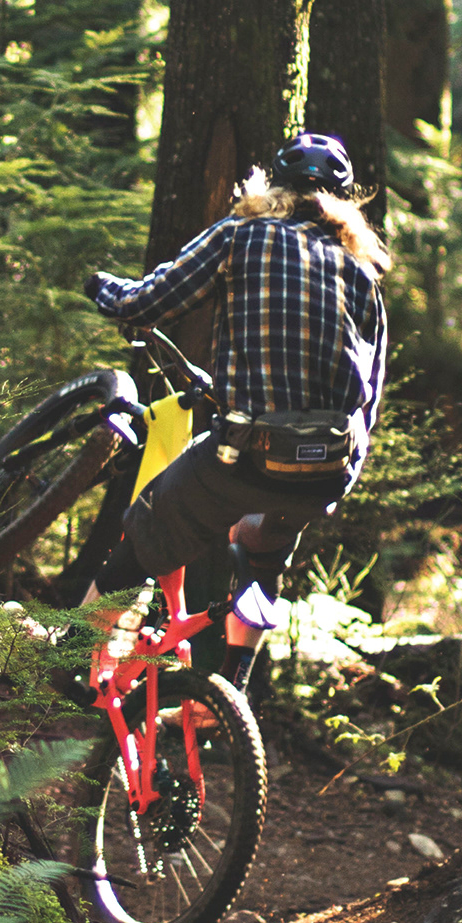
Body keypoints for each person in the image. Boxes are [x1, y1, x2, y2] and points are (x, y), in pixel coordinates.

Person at [81, 132, 389, 678]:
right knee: (262, 544)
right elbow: (372, 394)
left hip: (244, 454)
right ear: (344, 204)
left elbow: (148, 301)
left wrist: (102, 289)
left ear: (272, 188)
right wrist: (338, 481)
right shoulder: (361, 274)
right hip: (327, 470)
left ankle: (70, 663)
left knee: (144, 533)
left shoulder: (242, 236)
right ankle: (227, 695)